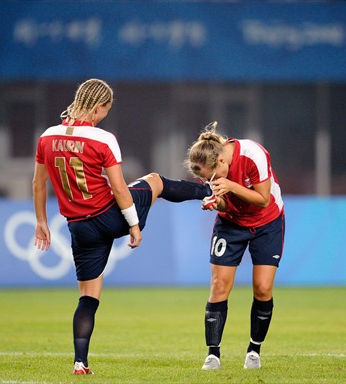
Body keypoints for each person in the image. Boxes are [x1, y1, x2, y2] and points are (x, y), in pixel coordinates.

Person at [32, 78, 212, 375]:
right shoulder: (103, 139)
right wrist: (134, 225)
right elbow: (118, 188)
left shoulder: (46, 137)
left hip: (79, 227)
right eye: (105, 109)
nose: (104, 115)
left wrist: (41, 221)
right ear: (98, 106)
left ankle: (80, 362)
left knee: (88, 297)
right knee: (155, 181)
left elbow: (38, 184)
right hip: (109, 215)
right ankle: (208, 191)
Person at [185, 121, 285, 370]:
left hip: (267, 222)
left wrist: (231, 186)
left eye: (213, 176)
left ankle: (254, 350)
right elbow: (224, 204)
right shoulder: (211, 170)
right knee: (219, 285)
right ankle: (213, 354)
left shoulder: (253, 154)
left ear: (220, 161)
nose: (212, 180)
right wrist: (214, 203)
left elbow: (263, 199)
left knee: (262, 288)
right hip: (231, 224)